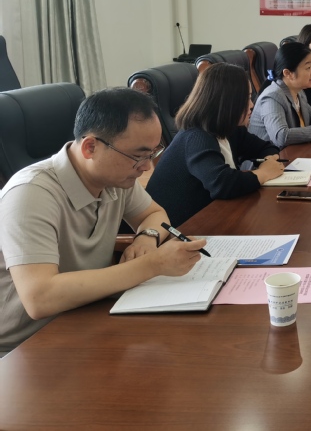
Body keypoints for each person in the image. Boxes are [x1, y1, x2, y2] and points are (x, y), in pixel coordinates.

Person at [0, 88, 206, 357]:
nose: (147, 167)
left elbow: (154, 214)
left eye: (153, 153)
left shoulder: (115, 179)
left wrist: (147, 237)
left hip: (87, 317)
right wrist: (153, 264)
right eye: (139, 155)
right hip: (25, 348)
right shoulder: (30, 194)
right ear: (90, 147)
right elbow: (40, 297)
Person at [146, 63, 285, 227]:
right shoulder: (196, 137)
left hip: (210, 217)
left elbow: (266, 147)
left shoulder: (230, 130)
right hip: (177, 230)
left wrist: (269, 161)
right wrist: (263, 173)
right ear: (228, 102)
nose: (252, 104)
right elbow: (222, 184)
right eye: (246, 98)